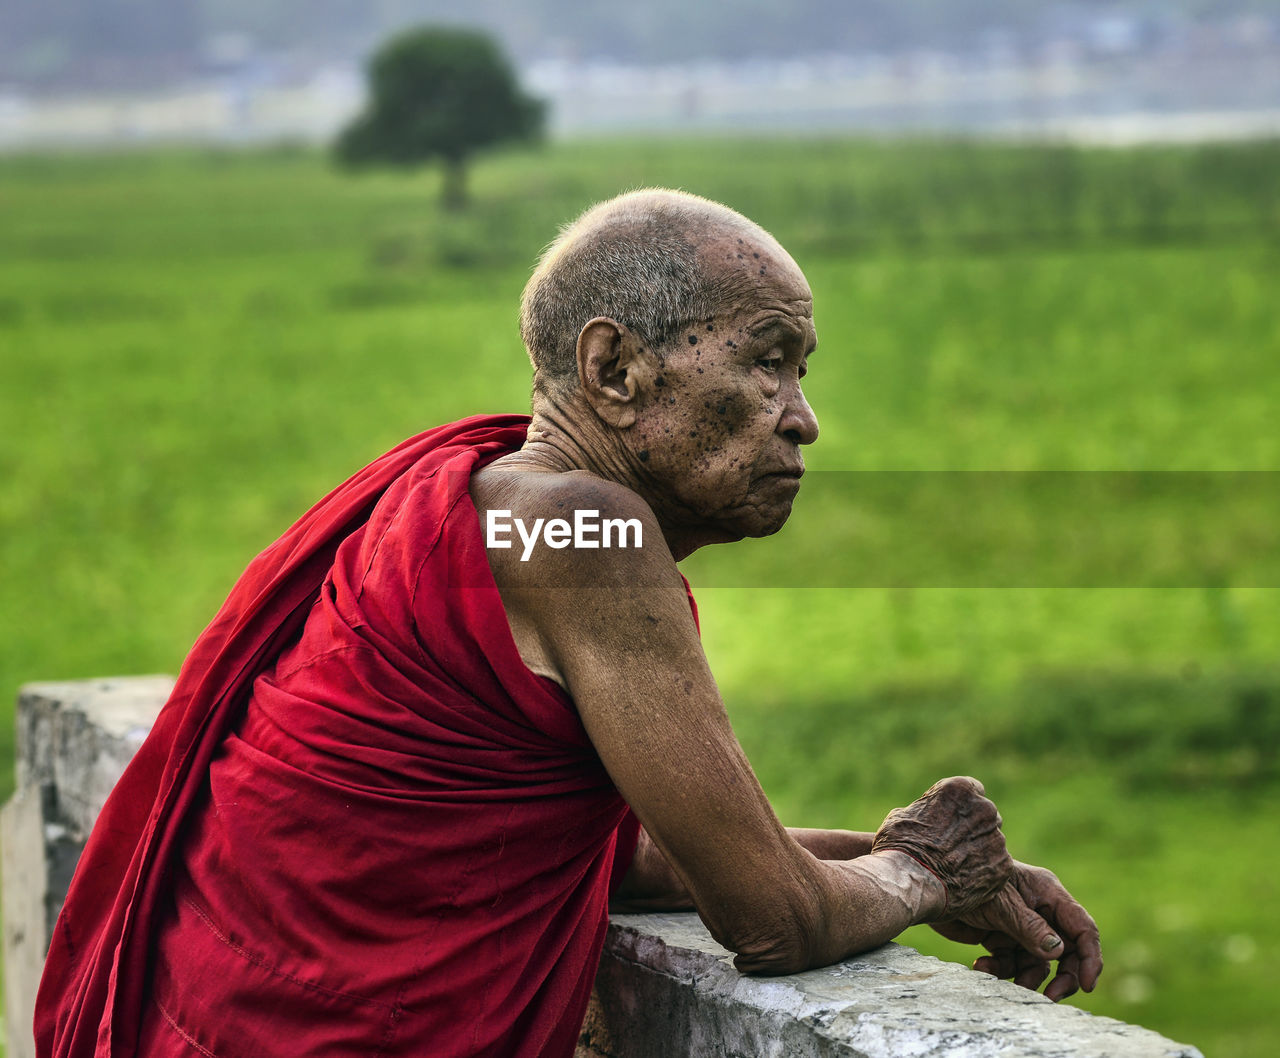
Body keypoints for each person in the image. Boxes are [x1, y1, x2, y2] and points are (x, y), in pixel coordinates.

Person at [37, 189, 1100, 1058]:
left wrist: (885, 860)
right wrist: (920, 868)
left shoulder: (475, 502)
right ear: (613, 369)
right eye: (765, 359)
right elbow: (771, 918)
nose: (800, 415)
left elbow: (620, 850)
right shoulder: (583, 533)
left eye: (800, 370)